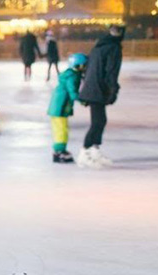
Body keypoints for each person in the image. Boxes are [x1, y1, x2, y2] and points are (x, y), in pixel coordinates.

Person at [77, 25, 125, 168]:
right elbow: (111, 71)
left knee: (100, 121)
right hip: (98, 89)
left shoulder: (99, 46)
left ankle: (94, 150)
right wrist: (112, 90)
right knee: (98, 122)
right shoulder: (113, 48)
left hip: (92, 87)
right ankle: (85, 151)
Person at [47, 53, 88, 163]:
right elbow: (73, 93)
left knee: (60, 129)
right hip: (60, 108)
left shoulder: (71, 74)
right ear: (78, 65)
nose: (85, 68)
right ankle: (59, 152)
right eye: (84, 65)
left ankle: (59, 151)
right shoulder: (72, 76)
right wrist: (83, 101)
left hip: (58, 106)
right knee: (61, 130)